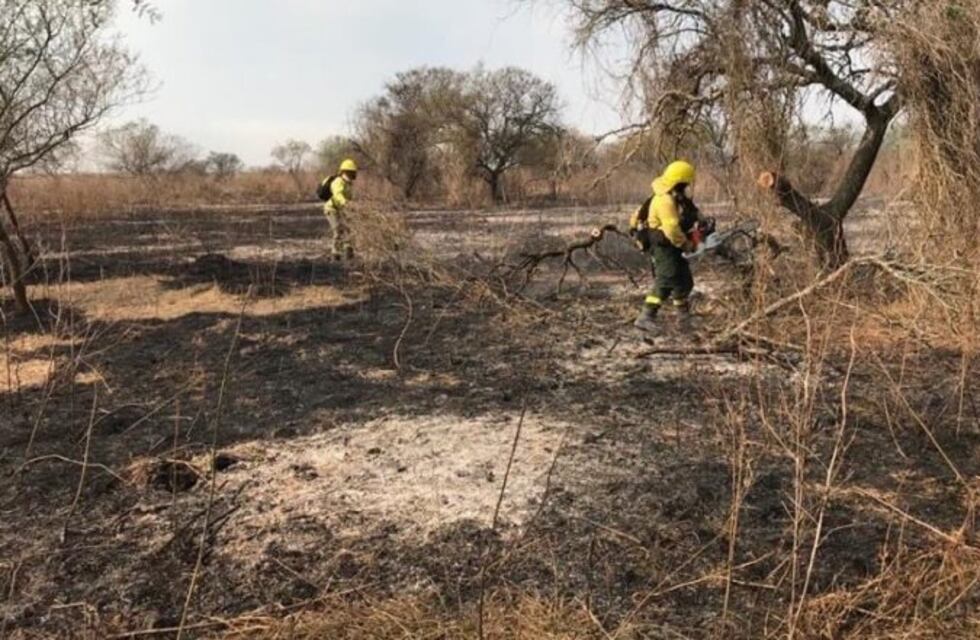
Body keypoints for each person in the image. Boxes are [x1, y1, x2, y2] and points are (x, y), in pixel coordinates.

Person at [628, 160, 712, 333]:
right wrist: (687, 244)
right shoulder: (664, 200)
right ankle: (645, 317)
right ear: (679, 181)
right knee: (666, 279)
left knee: (684, 281)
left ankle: (684, 318)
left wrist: (702, 221)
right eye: (686, 183)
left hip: (672, 245)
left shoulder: (675, 195)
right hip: (662, 246)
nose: (687, 186)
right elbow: (672, 229)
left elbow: (691, 210)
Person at [321, 159, 358, 260]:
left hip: (341, 209)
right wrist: (346, 203)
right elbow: (338, 195)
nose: (351, 175)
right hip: (332, 209)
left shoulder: (348, 184)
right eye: (349, 173)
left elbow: (348, 197)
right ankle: (335, 254)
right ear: (343, 172)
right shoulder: (338, 182)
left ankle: (348, 250)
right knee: (338, 230)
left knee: (348, 229)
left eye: (352, 173)